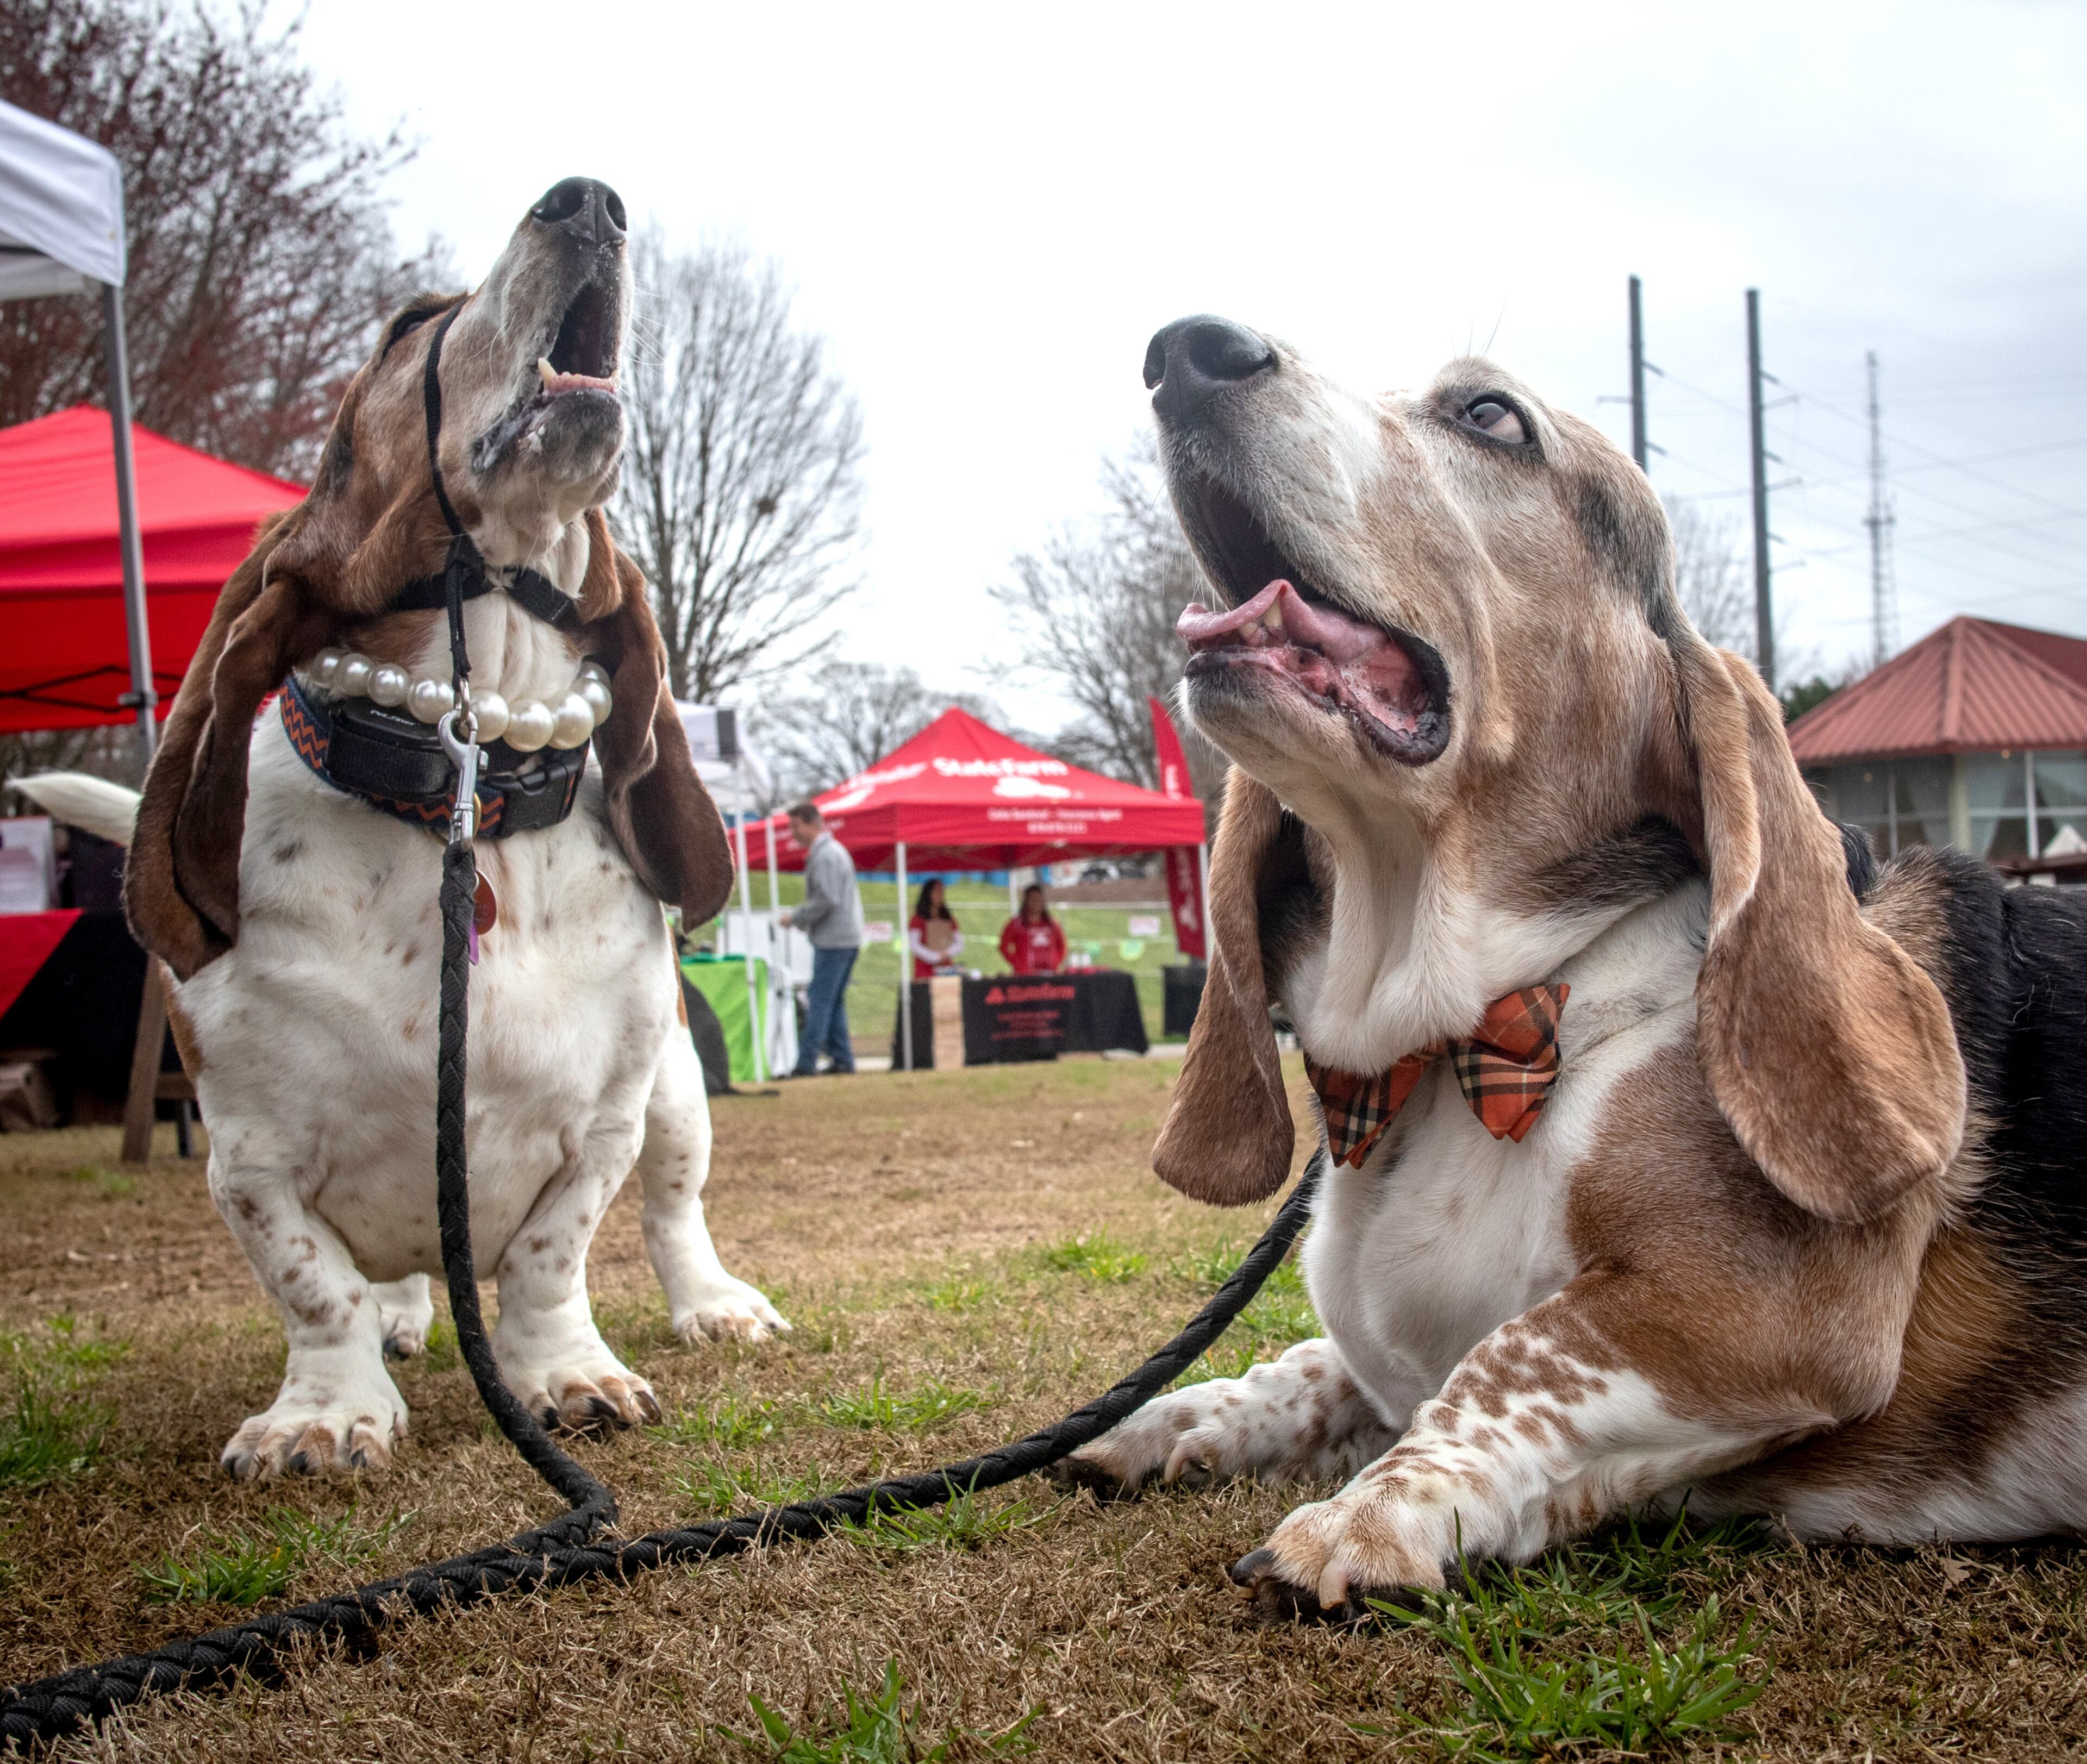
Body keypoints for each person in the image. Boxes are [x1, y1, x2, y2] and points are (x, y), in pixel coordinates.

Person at [779, 802, 864, 1075]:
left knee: (820, 1001)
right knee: (834, 1001)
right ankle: (843, 1059)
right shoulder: (834, 852)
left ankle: (806, 1062)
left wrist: (797, 917)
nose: (793, 834)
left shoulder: (825, 856)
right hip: (847, 937)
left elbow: (827, 898)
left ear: (811, 824)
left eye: (795, 826)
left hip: (834, 941)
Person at [998, 882, 1066, 975]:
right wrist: (1018, 965)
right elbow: (1003, 947)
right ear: (1026, 901)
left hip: (1050, 975)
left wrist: (1056, 962)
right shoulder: (1016, 924)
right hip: (1025, 977)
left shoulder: (1052, 924)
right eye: (1032, 899)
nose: (1036, 903)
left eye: (1039, 899)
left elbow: (1062, 946)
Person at [907, 878, 964, 981]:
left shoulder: (949, 919)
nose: (941, 895)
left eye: (942, 891)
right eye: (937, 891)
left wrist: (946, 953)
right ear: (928, 894)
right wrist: (934, 957)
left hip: (946, 972)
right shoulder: (918, 919)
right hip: (925, 973)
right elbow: (914, 945)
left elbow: (959, 943)